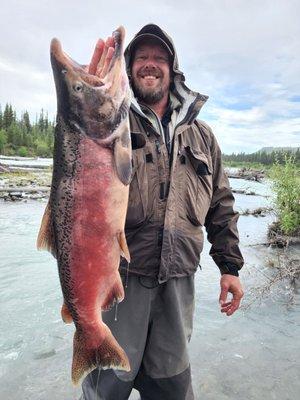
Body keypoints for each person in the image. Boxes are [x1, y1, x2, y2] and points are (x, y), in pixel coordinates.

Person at [80, 24, 244, 400]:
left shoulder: (203, 137)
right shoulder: (110, 123)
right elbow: (80, 182)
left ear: (173, 69)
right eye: (141, 58)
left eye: (159, 58)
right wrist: (91, 92)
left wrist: (230, 268)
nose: (149, 65)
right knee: (106, 389)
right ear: (129, 67)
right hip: (118, 284)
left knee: (172, 389)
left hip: (177, 286)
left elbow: (221, 205)